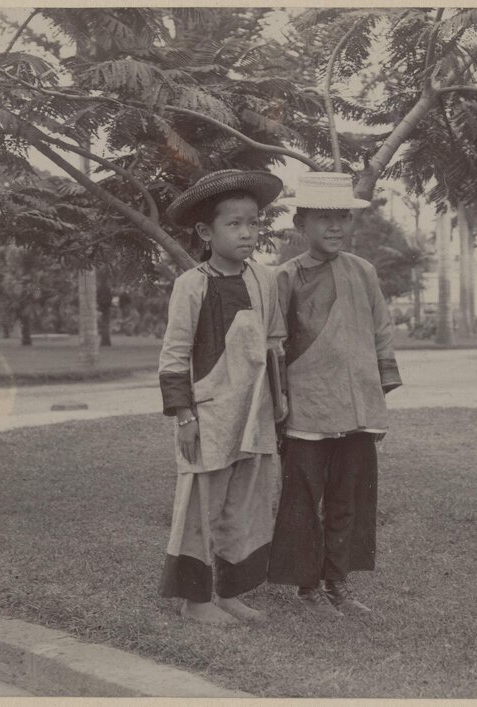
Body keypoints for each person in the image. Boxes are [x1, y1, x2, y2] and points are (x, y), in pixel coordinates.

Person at [267, 171, 402, 615]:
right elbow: (274, 346)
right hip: (307, 410)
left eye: (342, 217)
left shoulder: (363, 272)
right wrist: (280, 405)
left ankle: (338, 583)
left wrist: (375, 398)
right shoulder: (285, 278)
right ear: (300, 225)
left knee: (349, 497)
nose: (335, 227)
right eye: (323, 217)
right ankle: (307, 588)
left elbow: (382, 334)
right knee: (304, 497)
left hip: (358, 410)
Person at [157, 169, 286, 625]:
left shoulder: (264, 279)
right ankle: (196, 600)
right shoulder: (192, 285)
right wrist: (184, 417)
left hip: (255, 414)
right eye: (234, 224)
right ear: (205, 232)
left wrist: (278, 410)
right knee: (201, 505)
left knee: (244, 505)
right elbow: (173, 358)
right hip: (210, 415)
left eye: (253, 222)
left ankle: (231, 591)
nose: (247, 232)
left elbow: (272, 345)